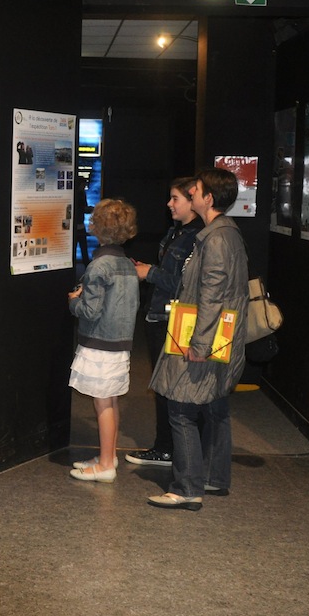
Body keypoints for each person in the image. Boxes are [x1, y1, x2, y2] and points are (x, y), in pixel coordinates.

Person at [147, 167, 249, 511]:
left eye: (196, 191)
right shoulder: (225, 233)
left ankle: (187, 487)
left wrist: (199, 345)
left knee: (180, 409)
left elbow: (212, 296)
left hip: (206, 338)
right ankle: (214, 477)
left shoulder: (215, 239)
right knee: (215, 406)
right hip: (221, 336)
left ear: (209, 198)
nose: (191, 194)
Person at [126, 176, 202, 468]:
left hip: (174, 320)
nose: (169, 204)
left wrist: (150, 274)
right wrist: (150, 270)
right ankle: (167, 447)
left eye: (175, 199)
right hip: (159, 314)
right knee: (163, 386)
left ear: (193, 202)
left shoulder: (198, 238)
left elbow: (187, 283)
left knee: (170, 387)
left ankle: (168, 449)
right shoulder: (177, 232)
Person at [66, 198, 139, 483]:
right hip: (120, 343)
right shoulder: (127, 265)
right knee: (111, 400)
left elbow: (90, 311)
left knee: (102, 403)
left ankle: (106, 465)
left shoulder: (99, 266)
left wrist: (74, 301)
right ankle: (109, 455)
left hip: (100, 344)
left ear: (96, 227)